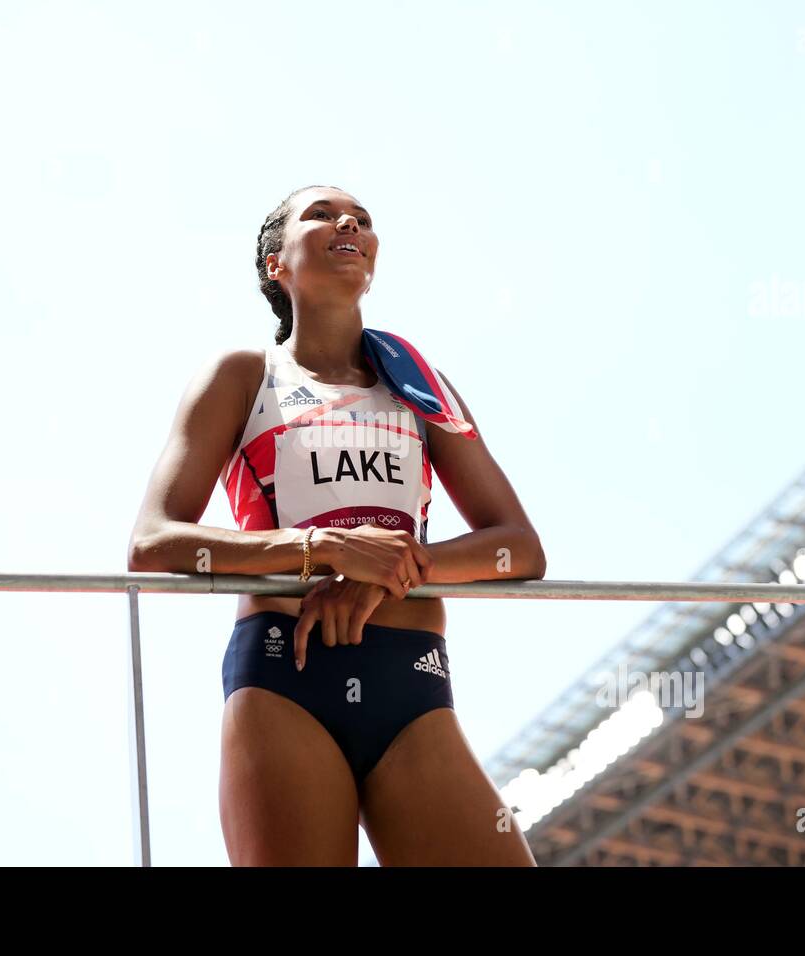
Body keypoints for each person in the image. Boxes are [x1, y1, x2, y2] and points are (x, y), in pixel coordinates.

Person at [129, 185, 545, 865]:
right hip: (285, 678)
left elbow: (521, 548)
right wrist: (320, 549)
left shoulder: (420, 384)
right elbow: (152, 544)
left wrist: (391, 570)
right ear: (276, 265)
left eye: (362, 218)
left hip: (412, 681)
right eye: (321, 215)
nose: (348, 221)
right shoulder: (241, 375)